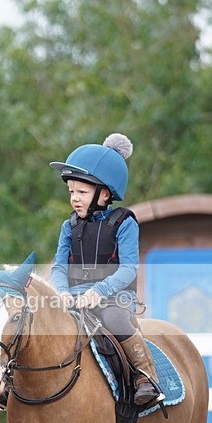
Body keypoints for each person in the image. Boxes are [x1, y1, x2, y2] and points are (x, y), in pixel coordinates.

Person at [49, 133, 162, 406]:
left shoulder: (124, 222)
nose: (75, 198)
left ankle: (145, 376)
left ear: (105, 194)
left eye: (82, 192)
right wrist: (62, 292)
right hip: (74, 297)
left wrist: (100, 291)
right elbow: (59, 266)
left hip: (114, 298)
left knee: (115, 320)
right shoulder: (70, 226)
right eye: (71, 192)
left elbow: (129, 269)